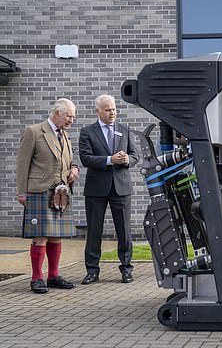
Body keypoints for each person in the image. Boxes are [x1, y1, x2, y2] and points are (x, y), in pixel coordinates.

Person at [16, 98, 80, 293]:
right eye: (69, 116)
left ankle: (53, 276)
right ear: (57, 113)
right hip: (39, 190)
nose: (71, 120)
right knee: (40, 237)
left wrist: (75, 169)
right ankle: (37, 278)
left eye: (73, 116)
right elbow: (22, 164)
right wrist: (21, 191)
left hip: (60, 193)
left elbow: (69, 160)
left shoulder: (65, 136)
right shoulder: (34, 132)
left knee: (56, 237)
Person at [79, 94, 139, 284]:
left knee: (124, 231)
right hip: (96, 188)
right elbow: (85, 158)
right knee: (94, 231)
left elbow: (135, 154)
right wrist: (109, 160)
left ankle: (126, 269)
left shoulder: (124, 129)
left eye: (113, 109)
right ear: (98, 111)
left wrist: (128, 160)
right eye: (108, 110)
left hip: (121, 187)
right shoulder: (87, 131)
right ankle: (92, 271)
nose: (112, 113)